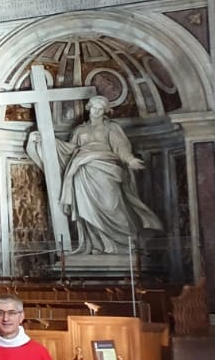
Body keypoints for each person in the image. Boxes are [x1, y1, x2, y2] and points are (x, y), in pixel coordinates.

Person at [29, 94, 164, 254]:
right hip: (83, 172)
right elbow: (69, 150)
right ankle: (97, 244)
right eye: (94, 107)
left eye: (100, 109)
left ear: (105, 111)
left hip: (106, 170)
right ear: (89, 108)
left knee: (112, 205)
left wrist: (130, 160)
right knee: (87, 209)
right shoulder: (80, 130)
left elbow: (121, 147)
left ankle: (126, 242)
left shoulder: (111, 128)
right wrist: (44, 141)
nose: (96, 111)